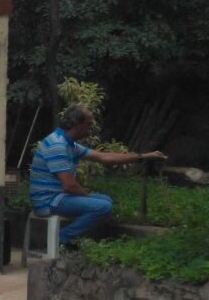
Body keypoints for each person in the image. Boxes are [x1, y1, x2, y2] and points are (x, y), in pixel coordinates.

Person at [29, 105, 166, 247]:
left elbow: (104, 157)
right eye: (88, 124)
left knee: (105, 201)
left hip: (58, 197)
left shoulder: (69, 144)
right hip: (48, 201)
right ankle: (61, 239)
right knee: (102, 207)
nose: (90, 129)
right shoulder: (57, 145)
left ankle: (72, 237)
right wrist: (85, 196)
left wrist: (143, 156)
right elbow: (69, 186)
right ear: (78, 125)